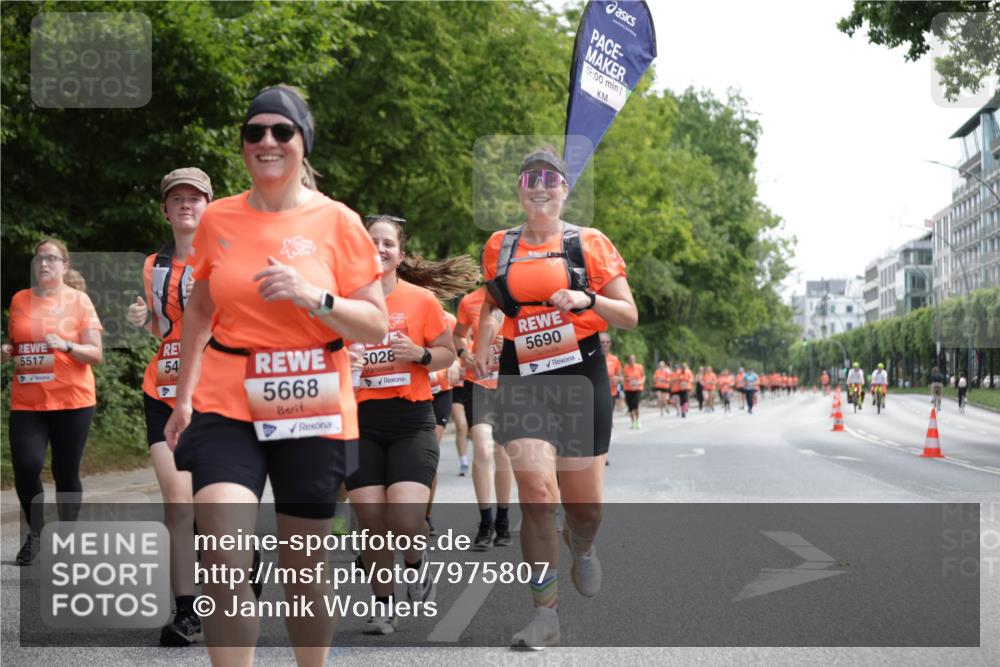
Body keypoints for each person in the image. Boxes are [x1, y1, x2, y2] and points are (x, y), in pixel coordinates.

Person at [163, 85, 388, 664]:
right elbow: (200, 311)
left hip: (311, 398)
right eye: (254, 131)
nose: (267, 141)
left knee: (304, 568)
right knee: (221, 553)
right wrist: (182, 398)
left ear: (302, 143)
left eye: (281, 131)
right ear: (243, 145)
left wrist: (315, 296)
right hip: (226, 399)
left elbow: (372, 324)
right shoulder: (218, 219)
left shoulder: (337, 221)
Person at [474, 147, 637, 649]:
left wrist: (589, 298)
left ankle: (582, 544)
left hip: (581, 375)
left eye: (550, 178)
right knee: (539, 498)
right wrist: (483, 342)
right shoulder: (499, 245)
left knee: (583, 507)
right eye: (530, 178)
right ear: (520, 189)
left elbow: (628, 315)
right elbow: (491, 303)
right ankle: (545, 614)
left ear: (564, 189)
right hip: (522, 376)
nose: (539, 185)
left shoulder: (588, 243)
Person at [346, 214, 471, 634]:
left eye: (388, 243)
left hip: (411, 420)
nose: (379, 249)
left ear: (400, 254)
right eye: (372, 242)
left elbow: (447, 355)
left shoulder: (420, 301)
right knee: (369, 517)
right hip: (359, 420)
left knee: (403, 517)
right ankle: (383, 604)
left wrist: (418, 354)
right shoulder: (343, 301)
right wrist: (343, 365)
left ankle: (416, 564)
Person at [125, 167, 212, 646]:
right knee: (178, 503)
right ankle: (186, 612)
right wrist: (145, 320)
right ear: (165, 209)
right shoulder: (152, 265)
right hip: (163, 391)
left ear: (208, 205)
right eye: (176, 198)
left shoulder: (225, 258)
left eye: (194, 198)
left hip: (215, 396)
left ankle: (246, 560)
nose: (185, 204)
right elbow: (163, 330)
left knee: (213, 508)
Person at [3, 238, 103, 566]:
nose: (44, 264)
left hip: (72, 400)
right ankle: (36, 532)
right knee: (27, 466)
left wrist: (66, 345)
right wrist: (8, 350)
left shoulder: (79, 301)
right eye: (39, 259)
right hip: (28, 400)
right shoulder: (20, 300)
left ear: (65, 266)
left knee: (65, 471)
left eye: (51, 259)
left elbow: (96, 354)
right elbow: (18, 343)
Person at [454, 285, 514, 551]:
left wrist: (511, 344)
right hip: (479, 384)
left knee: (502, 453)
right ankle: (485, 521)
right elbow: (458, 336)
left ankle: (503, 519)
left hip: (510, 385)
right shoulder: (470, 301)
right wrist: (464, 354)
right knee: (482, 448)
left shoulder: (519, 295)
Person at [623, 354, 645, 429]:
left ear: (635, 359)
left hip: (637, 389)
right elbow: (624, 377)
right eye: (630, 359)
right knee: (630, 407)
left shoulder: (639, 367)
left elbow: (643, 376)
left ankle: (638, 421)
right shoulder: (626, 368)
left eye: (633, 359)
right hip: (628, 389)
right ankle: (632, 422)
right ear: (628, 360)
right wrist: (628, 379)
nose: (632, 361)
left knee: (636, 405)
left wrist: (640, 382)